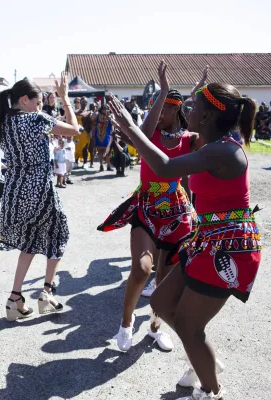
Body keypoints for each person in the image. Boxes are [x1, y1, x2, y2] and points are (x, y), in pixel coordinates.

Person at [108, 79, 261, 400]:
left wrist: (130, 127)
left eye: (193, 107)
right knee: (162, 303)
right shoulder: (209, 146)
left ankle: (211, 390)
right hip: (207, 239)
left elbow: (164, 167)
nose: (186, 112)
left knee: (191, 326)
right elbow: (162, 157)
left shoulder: (223, 150)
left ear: (206, 116)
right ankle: (204, 360)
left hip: (228, 248)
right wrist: (133, 131)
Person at [98, 62, 200, 353]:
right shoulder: (150, 135)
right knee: (142, 268)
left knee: (164, 280)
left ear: (177, 112)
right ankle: (126, 322)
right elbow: (140, 131)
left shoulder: (188, 140)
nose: (160, 113)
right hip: (146, 207)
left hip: (176, 210)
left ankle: (156, 327)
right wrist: (163, 91)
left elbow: (192, 173)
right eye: (158, 107)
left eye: (166, 109)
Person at [0, 73, 79, 321]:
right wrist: (65, 98)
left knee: (30, 242)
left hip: (15, 193)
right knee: (59, 235)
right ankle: (47, 292)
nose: (39, 107)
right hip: (40, 189)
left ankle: (15, 298)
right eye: (37, 102)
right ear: (25, 99)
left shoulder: (4, 121)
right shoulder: (36, 118)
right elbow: (75, 130)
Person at [93, 105, 113, 171]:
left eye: (106, 109)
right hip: (99, 135)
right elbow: (92, 119)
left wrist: (109, 118)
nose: (105, 110)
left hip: (107, 135)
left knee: (108, 151)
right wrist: (96, 110)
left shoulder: (110, 115)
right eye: (103, 109)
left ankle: (108, 166)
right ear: (101, 110)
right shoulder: (97, 115)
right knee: (100, 151)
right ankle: (101, 165)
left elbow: (113, 123)